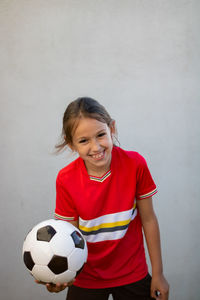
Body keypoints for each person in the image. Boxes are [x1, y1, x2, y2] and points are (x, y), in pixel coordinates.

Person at [36, 97, 169, 300]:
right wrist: (58, 277)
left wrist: (158, 274)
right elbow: (67, 236)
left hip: (132, 273)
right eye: (83, 141)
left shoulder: (135, 165)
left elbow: (149, 220)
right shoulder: (66, 179)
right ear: (71, 144)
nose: (96, 147)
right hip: (86, 277)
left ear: (112, 128)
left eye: (100, 135)